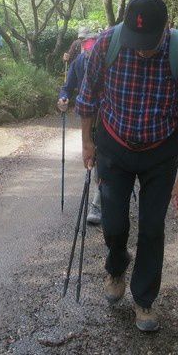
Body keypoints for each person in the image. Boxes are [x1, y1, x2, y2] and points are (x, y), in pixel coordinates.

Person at [75, 0, 178, 332]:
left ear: (166, 28)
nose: (142, 49)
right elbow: (88, 96)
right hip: (114, 146)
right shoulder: (107, 44)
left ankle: (144, 299)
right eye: (136, 41)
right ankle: (116, 265)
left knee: (152, 227)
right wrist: (87, 142)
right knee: (114, 222)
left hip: (161, 152)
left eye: (149, 42)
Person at [56, 33, 103, 225]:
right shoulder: (77, 63)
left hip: (107, 116)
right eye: (85, 42)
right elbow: (67, 87)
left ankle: (97, 203)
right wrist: (63, 98)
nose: (88, 45)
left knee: (103, 158)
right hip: (88, 118)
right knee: (95, 155)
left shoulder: (108, 61)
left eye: (91, 41)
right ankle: (101, 197)